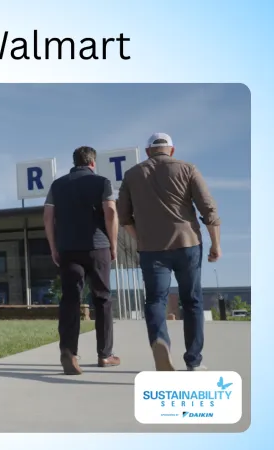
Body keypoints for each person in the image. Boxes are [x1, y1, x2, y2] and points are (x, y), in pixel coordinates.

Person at [117, 133, 221, 371]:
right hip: (188, 244)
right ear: (171, 150)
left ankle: (160, 341)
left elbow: (124, 218)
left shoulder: (132, 174)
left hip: (151, 249)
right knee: (192, 301)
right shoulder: (187, 169)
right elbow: (209, 209)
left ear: (147, 152)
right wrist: (216, 244)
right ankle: (194, 361)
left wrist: (141, 238)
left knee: (155, 300)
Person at [44, 146, 121, 375]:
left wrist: (53, 246)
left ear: (74, 162)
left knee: (70, 300)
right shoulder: (102, 182)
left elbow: (48, 217)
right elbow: (111, 212)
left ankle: (69, 352)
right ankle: (105, 355)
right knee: (103, 299)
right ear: (92, 163)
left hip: (68, 249)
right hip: (98, 247)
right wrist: (113, 244)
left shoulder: (57, 185)